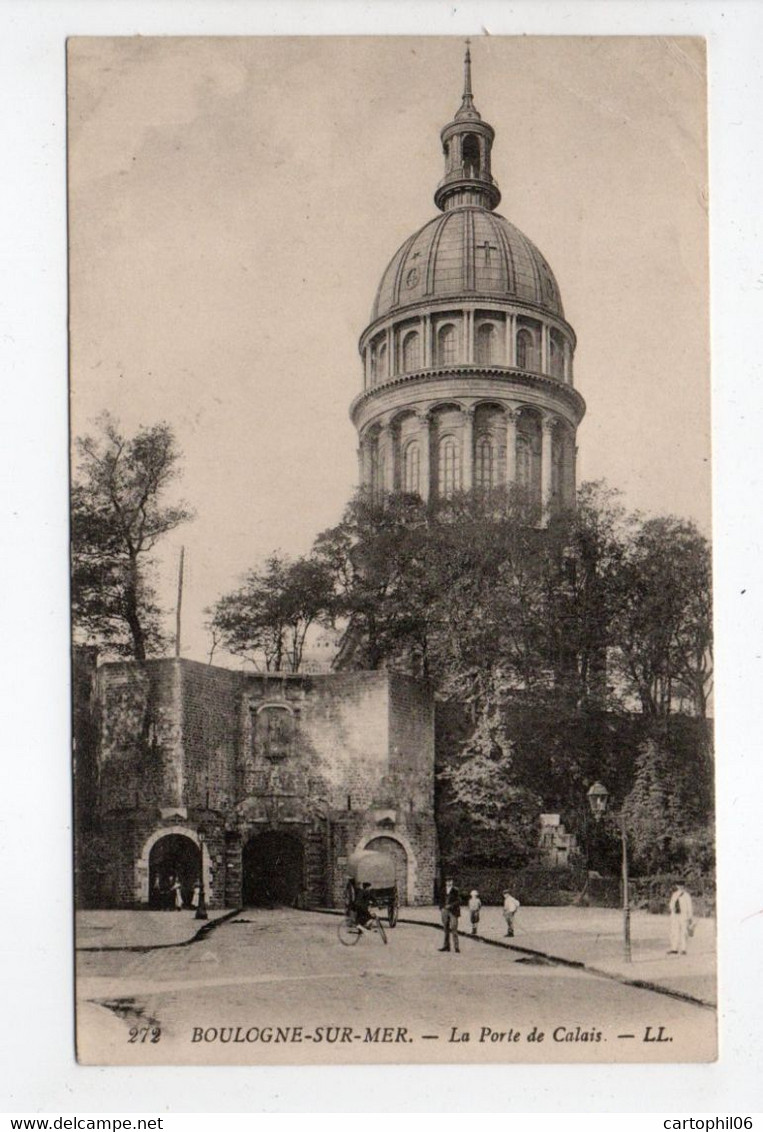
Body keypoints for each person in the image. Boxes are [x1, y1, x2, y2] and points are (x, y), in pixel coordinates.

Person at [668, 882, 694, 955]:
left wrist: (690, 917)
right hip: (676, 916)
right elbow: (671, 905)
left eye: (681, 886)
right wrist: (673, 910)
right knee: (674, 932)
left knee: (684, 932)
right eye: (679, 886)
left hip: (683, 915)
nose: (680, 887)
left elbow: (689, 907)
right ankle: (674, 948)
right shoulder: (674, 894)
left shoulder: (686, 895)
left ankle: (683, 949)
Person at [439, 876, 461, 953]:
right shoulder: (443, 890)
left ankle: (456, 947)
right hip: (444, 910)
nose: (449, 882)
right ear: (445, 882)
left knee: (454, 928)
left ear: (452, 882)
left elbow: (458, 901)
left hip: (453, 911)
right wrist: (441, 908)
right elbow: (440, 900)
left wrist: (451, 905)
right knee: (445, 928)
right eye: (447, 881)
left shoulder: (455, 890)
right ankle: (446, 946)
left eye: (450, 881)